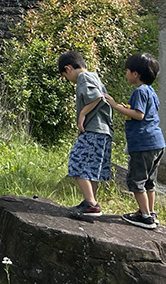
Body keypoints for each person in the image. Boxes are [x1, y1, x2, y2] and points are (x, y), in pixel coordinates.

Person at [104, 52, 165, 230]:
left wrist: (115, 106)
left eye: (127, 71)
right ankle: (149, 211)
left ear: (135, 74)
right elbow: (145, 114)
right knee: (149, 182)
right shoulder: (151, 92)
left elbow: (139, 115)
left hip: (143, 144)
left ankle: (145, 217)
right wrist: (127, 110)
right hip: (157, 143)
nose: (126, 74)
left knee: (137, 181)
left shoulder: (139, 91)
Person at [59, 50, 113, 217]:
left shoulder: (83, 77)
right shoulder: (94, 76)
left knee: (77, 162)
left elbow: (96, 97)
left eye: (65, 75)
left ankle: (91, 203)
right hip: (104, 131)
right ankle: (91, 203)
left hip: (93, 130)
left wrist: (82, 114)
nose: (68, 80)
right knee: (91, 169)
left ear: (68, 68)